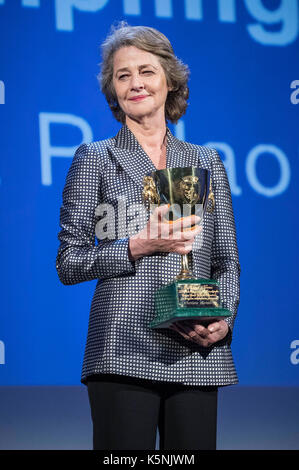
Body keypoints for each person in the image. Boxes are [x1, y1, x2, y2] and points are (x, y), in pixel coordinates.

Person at [56, 22, 241, 451]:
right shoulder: (96, 158)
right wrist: (140, 244)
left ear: (170, 80)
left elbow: (226, 261)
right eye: (123, 75)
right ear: (113, 90)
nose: (136, 83)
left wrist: (224, 319)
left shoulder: (206, 160)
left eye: (147, 71)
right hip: (122, 347)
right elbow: (70, 262)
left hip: (195, 349)